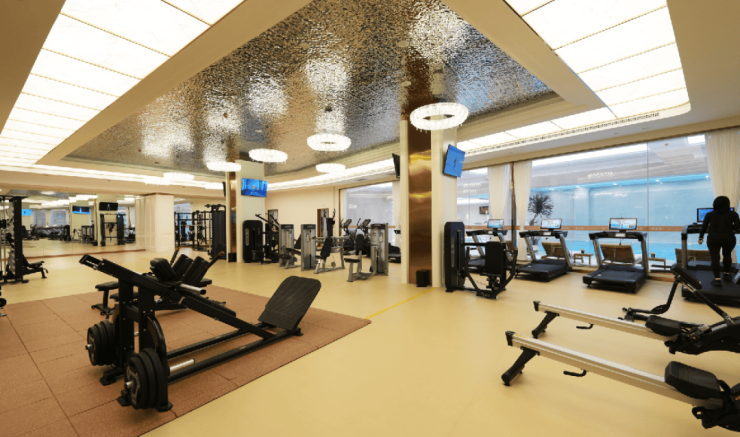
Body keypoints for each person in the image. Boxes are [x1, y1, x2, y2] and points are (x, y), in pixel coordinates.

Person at [698, 196, 740, 286]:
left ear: (715, 204)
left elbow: (703, 227)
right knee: (727, 255)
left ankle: (717, 279)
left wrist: (700, 238)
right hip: (729, 238)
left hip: (713, 239)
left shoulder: (709, 214)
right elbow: (738, 227)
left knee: (715, 258)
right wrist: (728, 226)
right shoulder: (733, 214)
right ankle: (727, 274)